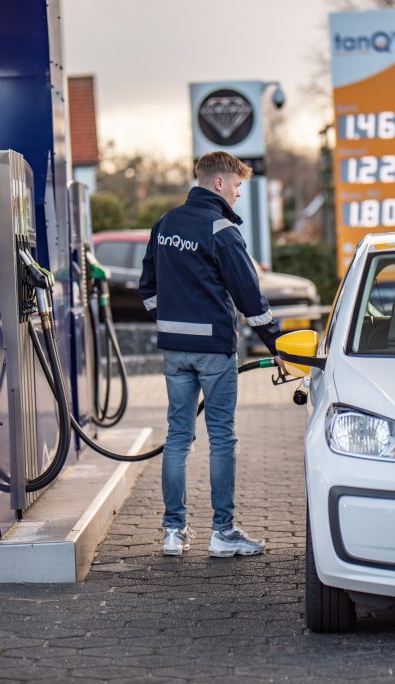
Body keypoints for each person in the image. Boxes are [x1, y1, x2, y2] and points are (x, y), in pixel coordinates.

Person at [138, 151, 285, 558]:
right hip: (214, 351)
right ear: (218, 183)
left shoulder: (165, 224)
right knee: (221, 437)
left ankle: (173, 532)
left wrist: (168, 319)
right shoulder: (222, 229)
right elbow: (250, 297)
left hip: (174, 350)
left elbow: (146, 286)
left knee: (177, 438)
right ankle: (222, 533)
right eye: (237, 186)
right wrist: (278, 344)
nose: (238, 194)